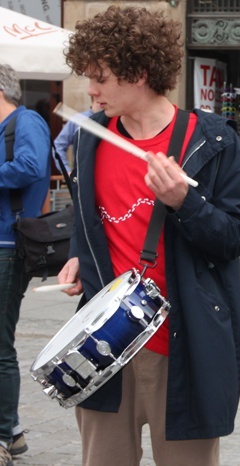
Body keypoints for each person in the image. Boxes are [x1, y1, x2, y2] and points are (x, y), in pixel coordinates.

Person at [58, 6, 240, 466]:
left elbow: (236, 239)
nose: (90, 90)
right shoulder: (93, 136)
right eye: (87, 76)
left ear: (140, 73)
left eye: (100, 77)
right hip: (104, 344)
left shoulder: (215, 142)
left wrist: (184, 203)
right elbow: (89, 217)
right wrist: (77, 256)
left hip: (184, 348)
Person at [0, 64, 51, 466]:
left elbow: (32, 167)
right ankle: (12, 432)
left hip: (7, 246)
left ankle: (6, 434)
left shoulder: (26, 120)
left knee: (0, 345)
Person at [52, 98, 102, 174]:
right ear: (95, 96)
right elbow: (58, 145)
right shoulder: (78, 119)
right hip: (83, 175)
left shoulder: (113, 119)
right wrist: (66, 171)